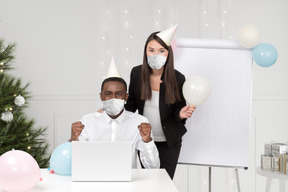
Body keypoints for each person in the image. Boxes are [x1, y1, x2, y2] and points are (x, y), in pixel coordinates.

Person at [124, 24, 196, 179]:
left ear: (168, 53)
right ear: (145, 52)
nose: (156, 54)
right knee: (148, 183)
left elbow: (178, 113)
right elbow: (130, 107)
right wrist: (110, 113)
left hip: (169, 142)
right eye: (151, 50)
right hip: (145, 140)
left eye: (161, 50)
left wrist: (181, 114)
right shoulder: (136, 73)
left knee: (164, 184)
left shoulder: (178, 78)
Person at [70, 76, 160, 169]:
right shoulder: (87, 121)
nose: (113, 98)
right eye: (108, 94)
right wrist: (74, 139)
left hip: (128, 180)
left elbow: (153, 167)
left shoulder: (139, 122)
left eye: (119, 94)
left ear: (126, 97)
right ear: (101, 96)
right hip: (95, 178)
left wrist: (147, 140)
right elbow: (76, 162)